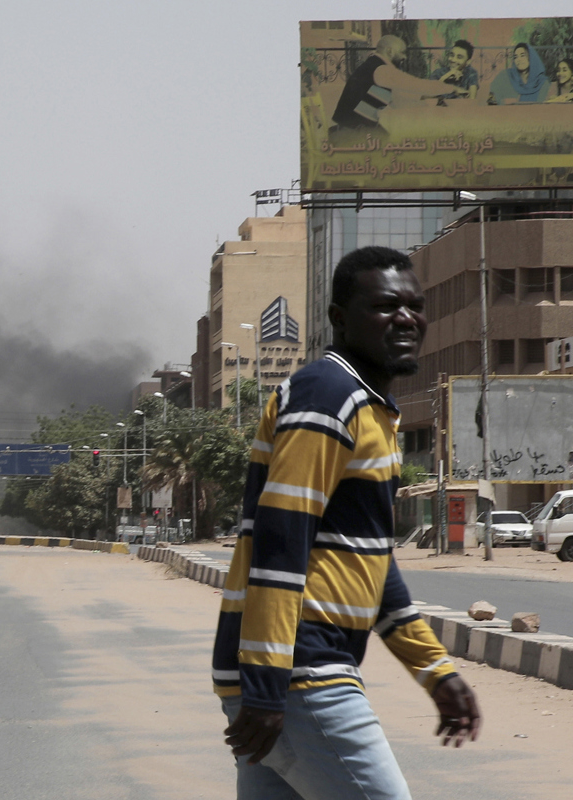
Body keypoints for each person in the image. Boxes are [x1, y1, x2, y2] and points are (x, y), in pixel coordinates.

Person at [215, 246, 480, 799]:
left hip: (288, 675)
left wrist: (434, 670)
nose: (405, 319)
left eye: (414, 306)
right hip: (300, 673)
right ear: (339, 318)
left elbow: (372, 563)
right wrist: (268, 684)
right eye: (385, 306)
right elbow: (281, 541)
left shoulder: (369, 409)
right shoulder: (329, 395)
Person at [331, 35, 459, 130]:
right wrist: (453, 88)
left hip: (353, 127)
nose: (405, 57)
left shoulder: (373, 66)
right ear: (389, 51)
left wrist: (431, 102)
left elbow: (397, 101)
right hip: (353, 132)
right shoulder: (382, 69)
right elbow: (417, 85)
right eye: (402, 52)